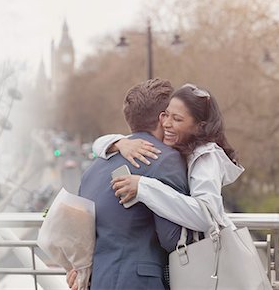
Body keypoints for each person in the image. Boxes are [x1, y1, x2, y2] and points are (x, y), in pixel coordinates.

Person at [68, 78, 189, 290]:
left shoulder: (93, 170)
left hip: (99, 281)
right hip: (140, 282)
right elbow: (172, 239)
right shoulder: (166, 160)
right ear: (163, 118)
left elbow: (83, 235)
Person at [93, 83, 244, 234]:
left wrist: (143, 187)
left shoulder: (206, 157)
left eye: (177, 119)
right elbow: (97, 146)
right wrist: (119, 143)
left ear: (199, 127)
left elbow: (207, 217)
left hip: (208, 254)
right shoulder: (177, 147)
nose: (166, 123)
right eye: (166, 115)